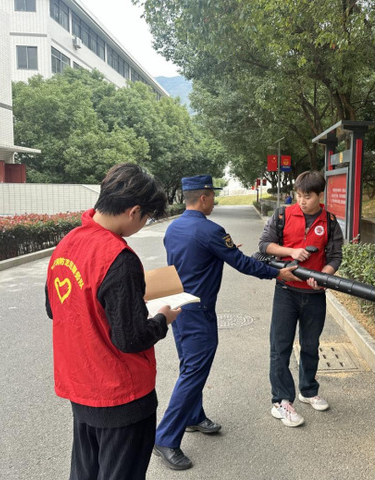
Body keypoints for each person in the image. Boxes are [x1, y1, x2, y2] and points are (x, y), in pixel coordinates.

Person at [44, 163, 181, 480]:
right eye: (146, 217)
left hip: (82, 388)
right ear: (134, 211)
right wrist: (163, 318)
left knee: (86, 472)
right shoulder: (118, 257)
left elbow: (55, 308)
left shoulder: (67, 244)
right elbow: (131, 339)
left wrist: (123, 301)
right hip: (121, 395)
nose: (143, 224)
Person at [153, 174, 298, 470]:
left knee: (189, 366)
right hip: (198, 312)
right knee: (193, 371)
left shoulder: (174, 227)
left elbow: (191, 259)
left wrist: (220, 251)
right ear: (203, 198)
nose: (214, 201)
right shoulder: (210, 230)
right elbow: (243, 263)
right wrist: (277, 273)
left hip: (177, 306)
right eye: (212, 196)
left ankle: (193, 417)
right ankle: (165, 438)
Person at [258, 170, 344, 427]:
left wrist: (324, 275)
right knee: (280, 346)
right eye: (299, 195)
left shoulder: (330, 221)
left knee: (310, 345)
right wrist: (292, 251)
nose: (302, 201)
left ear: (320, 195)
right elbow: (265, 245)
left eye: (308, 196)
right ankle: (282, 400)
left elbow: (335, 256)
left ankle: (308, 390)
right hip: (286, 291)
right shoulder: (282, 215)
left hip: (314, 295)